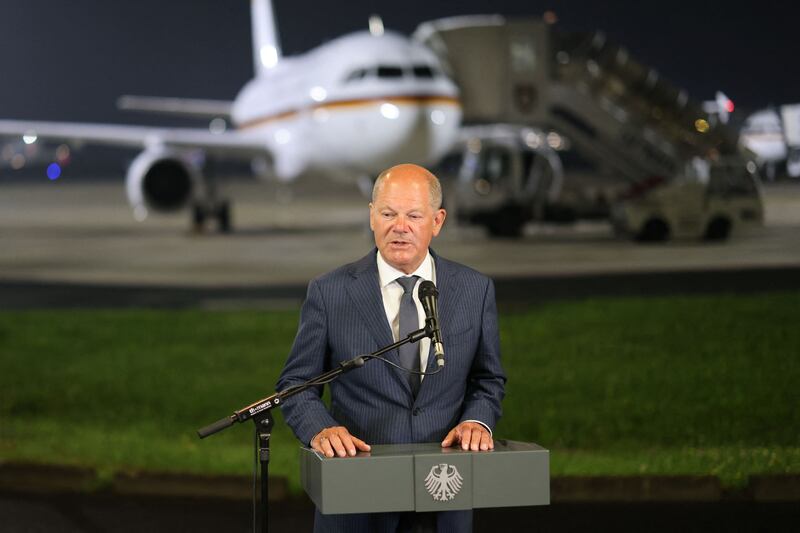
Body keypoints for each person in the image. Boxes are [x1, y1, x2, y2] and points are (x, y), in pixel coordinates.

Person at [276, 163, 506, 532]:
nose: (400, 226)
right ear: (372, 217)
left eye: (414, 215)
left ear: (437, 221)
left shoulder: (474, 290)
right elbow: (295, 385)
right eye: (388, 214)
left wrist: (476, 420)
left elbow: (488, 378)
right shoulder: (330, 291)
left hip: (442, 493)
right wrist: (321, 429)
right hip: (355, 499)